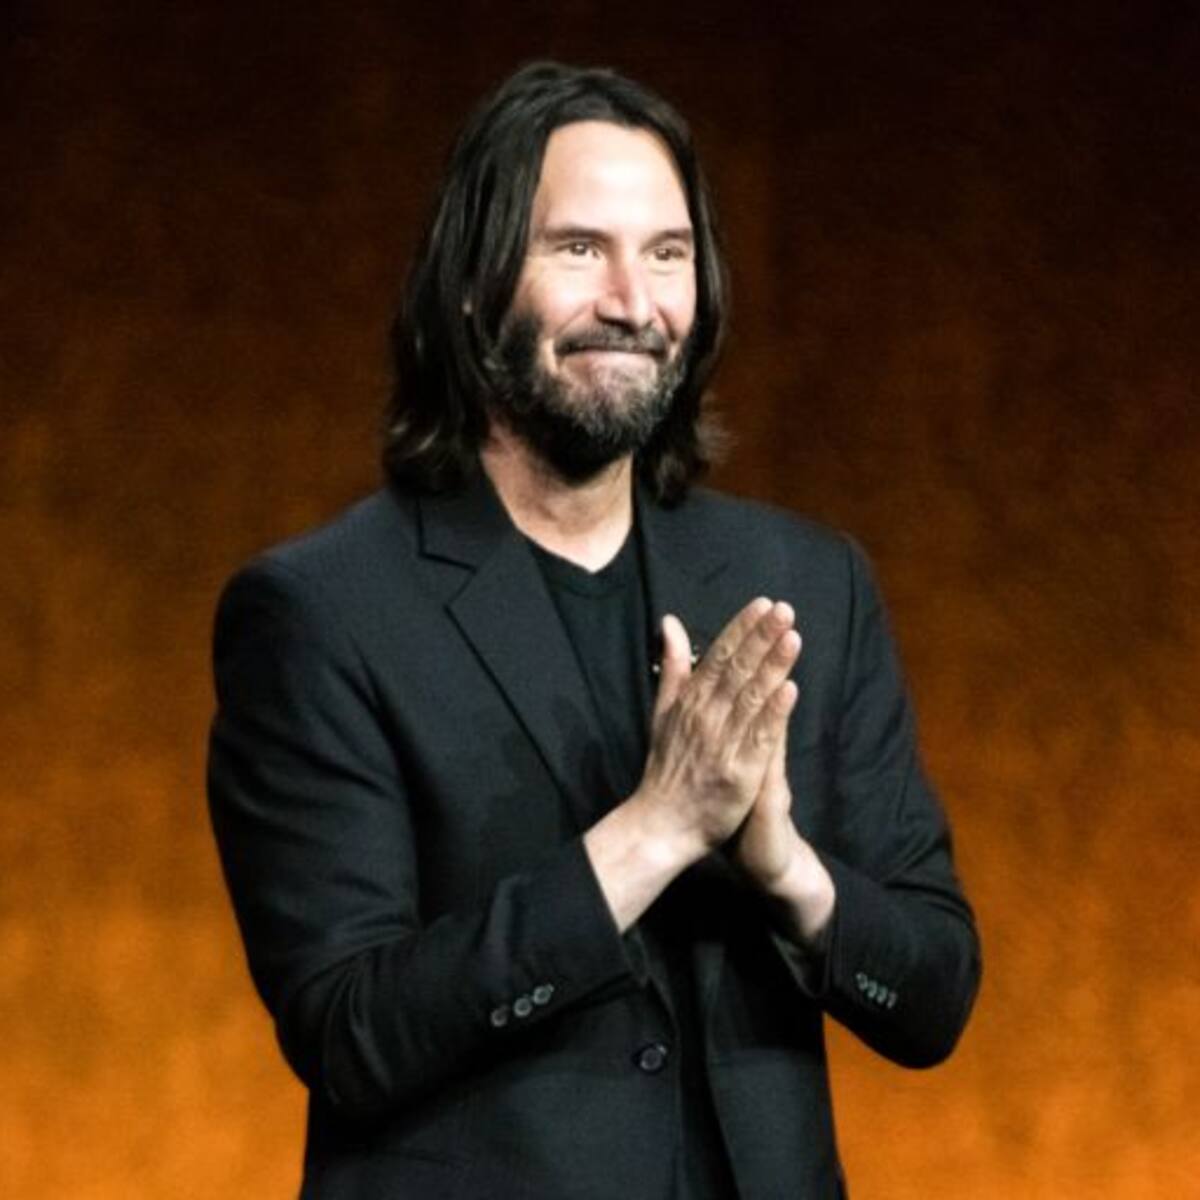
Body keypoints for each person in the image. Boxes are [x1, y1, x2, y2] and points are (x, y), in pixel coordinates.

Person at [208, 61, 981, 1200]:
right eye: (579, 249)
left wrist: (788, 873)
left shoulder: (807, 581)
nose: (632, 300)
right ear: (471, 286)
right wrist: (653, 834)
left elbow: (935, 998)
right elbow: (351, 1034)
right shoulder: (321, 612)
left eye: (667, 254)